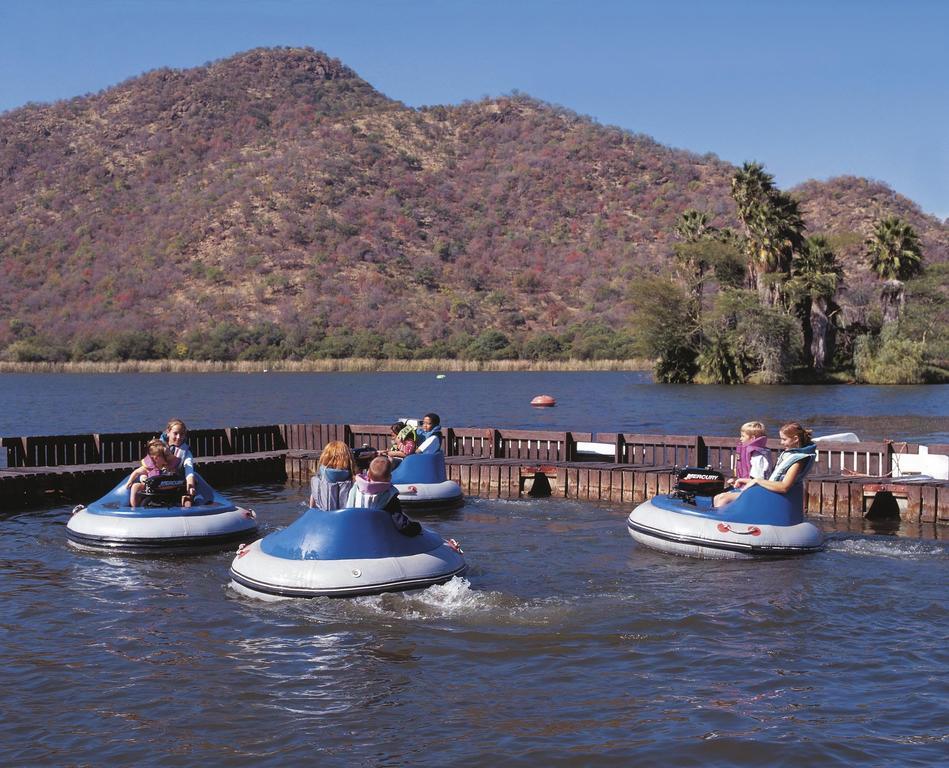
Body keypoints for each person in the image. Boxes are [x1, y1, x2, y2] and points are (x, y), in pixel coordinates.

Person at [713, 422, 817, 508]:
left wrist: (757, 480)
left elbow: (784, 487)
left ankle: (722, 523)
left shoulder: (798, 460)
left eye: (784, 439)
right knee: (718, 497)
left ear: (795, 439)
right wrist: (743, 480)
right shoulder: (791, 455)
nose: (781, 443)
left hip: (774, 496)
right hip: (769, 492)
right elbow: (771, 481)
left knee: (723, 499)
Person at [346, 455, 422, 536]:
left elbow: (348, 510)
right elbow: (400, 523)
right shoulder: (389, 497)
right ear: (390, 478)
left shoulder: (355, 488)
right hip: (377, 535)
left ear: (368, 473)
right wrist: (416, 528)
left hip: (354, 529)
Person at [718, 421, 772, 496]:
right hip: (746, 488)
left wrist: (740, 482)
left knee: (720, 498)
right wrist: (736, 481)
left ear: (752, 438)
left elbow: (757, 480)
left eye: (743, 436)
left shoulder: (758, 456)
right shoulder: (752, 453)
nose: (740, 439)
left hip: (755, 492)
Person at [126, 439, 181, 508]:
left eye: (169, 455)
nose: (169, 458)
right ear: (156, 458)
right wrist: (130, 481)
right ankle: (135, 507)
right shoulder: (150, 468)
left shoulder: (170, 467)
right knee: (136, 486)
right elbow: (136, 472)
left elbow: (176, 477)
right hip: (151, 491)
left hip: (167, 491)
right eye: (166, 456)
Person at [309, 440, 356, 511]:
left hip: (323, 518)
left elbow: (312, 507)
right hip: (347, 518)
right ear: (348, 459)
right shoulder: (356, 482)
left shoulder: (317, 480)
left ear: (324, 457)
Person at [162, 418, 198, 504]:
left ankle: (187, 510)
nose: (178, 437)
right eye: (175, 433)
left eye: (181, 434)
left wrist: (191, 487)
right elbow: (148, 467)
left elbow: (189, 471)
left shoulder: (186, 453)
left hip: (177, 484)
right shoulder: (158, 448)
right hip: (158, 484)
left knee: (187, 500)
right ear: (168, 432)